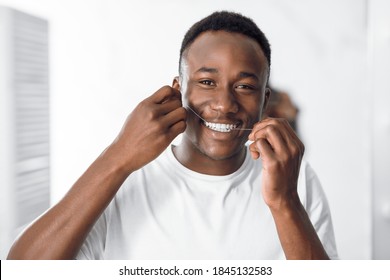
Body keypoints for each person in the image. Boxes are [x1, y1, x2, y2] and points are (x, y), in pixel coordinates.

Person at [7, 11, 338, 260]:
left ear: (265, 101)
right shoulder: (123, 181)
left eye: (245, 87)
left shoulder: (297, 182)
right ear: (178, 91)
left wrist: (285, 202)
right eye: (207, 82)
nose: (224, 104)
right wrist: (118, 156)